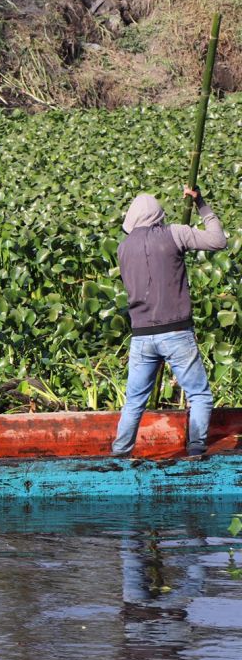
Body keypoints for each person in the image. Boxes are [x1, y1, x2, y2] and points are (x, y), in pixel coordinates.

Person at [111, 185, 226, 459]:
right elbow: (218, 240)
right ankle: (196, 449)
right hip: (176, 333)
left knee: (134, 403)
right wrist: (201, 205)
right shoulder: (175, 233)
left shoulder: (123, 248)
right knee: (199, 395)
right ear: (158, 216)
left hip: (141, 336)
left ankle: (119, 453)